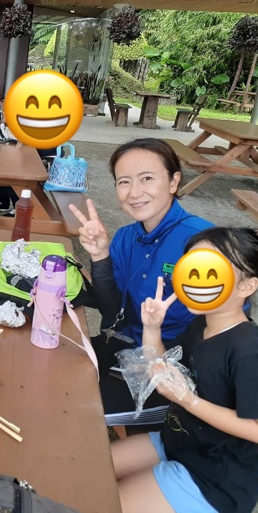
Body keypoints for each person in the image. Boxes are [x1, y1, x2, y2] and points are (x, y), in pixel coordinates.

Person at [111, 227, 258, 513]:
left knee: (101, 501)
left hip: (215, 478)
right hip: (176, 441)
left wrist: (188, 400)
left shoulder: (249, 352)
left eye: (211, 270)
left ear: (246, 286)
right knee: (92, 469)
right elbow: (164, 363)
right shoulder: (202, 323)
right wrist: (152, 328)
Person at [68, 138, 213, 426]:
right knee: (48, 365)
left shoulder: (203, 243)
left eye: (147, 178)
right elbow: (111, 310)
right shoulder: (125, 237)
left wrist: (187, 391)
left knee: (71, 408)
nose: (134, 193)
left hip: (168, 375)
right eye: (124, 182)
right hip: (121, 348)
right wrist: (100, 255)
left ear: (173, 181)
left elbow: (229, 321)